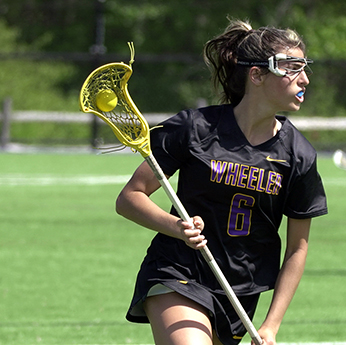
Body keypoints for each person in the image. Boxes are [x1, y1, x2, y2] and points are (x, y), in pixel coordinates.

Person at [116, 18, 328, 345]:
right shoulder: (195, 128)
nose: (304, 79)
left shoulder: (299, 155)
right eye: (292, 68)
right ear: (256, 75)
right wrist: (176, 227)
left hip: (241, 289)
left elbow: (298, 247)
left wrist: (271, 325)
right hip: (179, 270)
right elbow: (130, 197)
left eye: (305, 68)